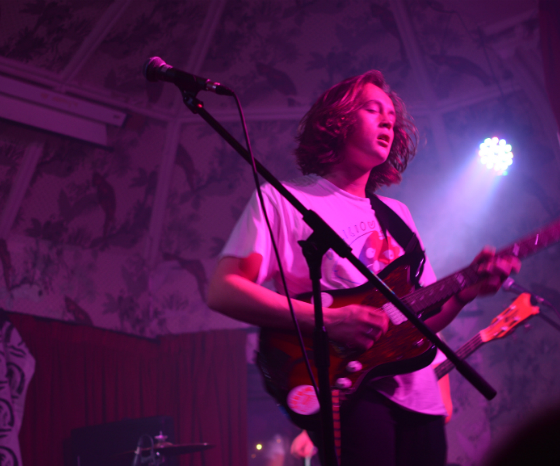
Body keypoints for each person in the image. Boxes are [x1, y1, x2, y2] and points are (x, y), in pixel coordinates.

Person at [207, 70, 520, 465]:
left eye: (392, 115)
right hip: (349, 390)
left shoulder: (398, 215)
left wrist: (464, 292)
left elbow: (418, 320)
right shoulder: (283, 201)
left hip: (421, 400)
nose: (388, 120)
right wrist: (330, 321)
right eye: (373, 110)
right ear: (336, 122)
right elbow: (224, 289)